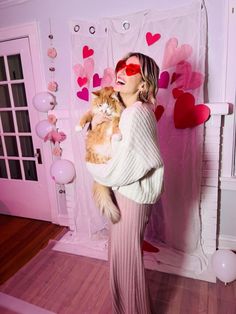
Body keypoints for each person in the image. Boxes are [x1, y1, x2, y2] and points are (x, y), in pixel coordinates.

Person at [86, 52, 164, 314]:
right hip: (124, 193)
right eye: (121, 66)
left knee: (127, 264)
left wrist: (95, 170)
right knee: (120, 259)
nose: (121, 71)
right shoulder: (128, 112)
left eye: (131, 69)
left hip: (131, 196)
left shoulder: (137, 113)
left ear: (143, 84)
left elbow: (129, 164)